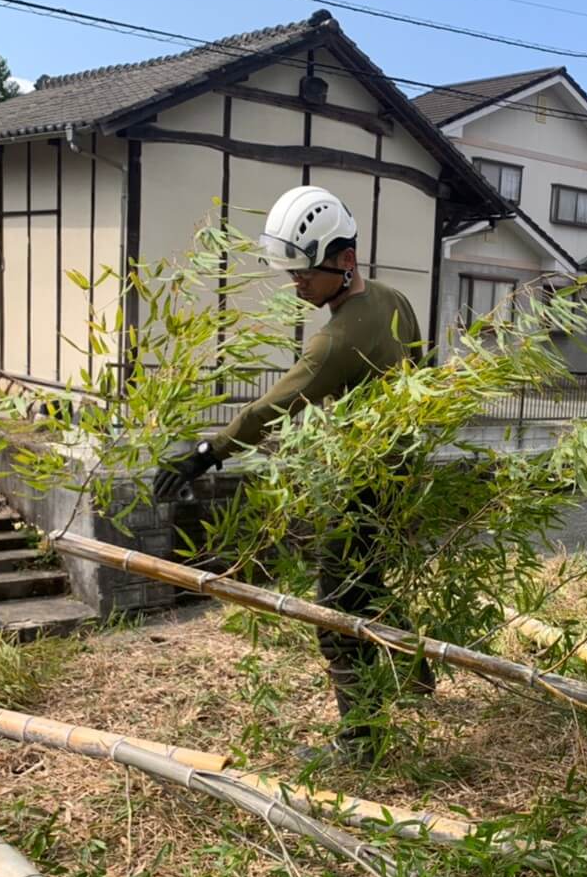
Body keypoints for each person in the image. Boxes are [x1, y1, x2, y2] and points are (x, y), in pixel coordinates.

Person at [153, 184, 432, 763]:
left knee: (335, 607)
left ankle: (361, 742)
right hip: (399, 471)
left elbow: (271, 407)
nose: (296, 285)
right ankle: (419, 677)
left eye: (305, 274)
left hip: (362, 485)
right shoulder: (395, 299)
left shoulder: (335, 340)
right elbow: (420, 375)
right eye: (292, 274)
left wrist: (206, 452)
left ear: (345, 260)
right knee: (372, 584)